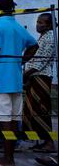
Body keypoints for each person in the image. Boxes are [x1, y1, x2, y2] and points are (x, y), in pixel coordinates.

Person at [0, 0, 38, 166]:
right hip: (15, 78)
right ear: (12, 8)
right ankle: (8, 156)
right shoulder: (17, 26)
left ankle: (8, 159)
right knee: (13, 120)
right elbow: (33, 45)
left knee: (5, 121)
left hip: (1, 80)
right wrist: (21, 61)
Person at [22, 13, 56, 153]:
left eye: (42, 23)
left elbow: (40, 62)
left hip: (41, 77)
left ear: (49, 25)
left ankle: (49, 142)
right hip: (35, 77)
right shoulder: (43, 37)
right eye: (37, 21)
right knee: (33, 110)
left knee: (41, 110)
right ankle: (39, 140)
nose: (38, 24)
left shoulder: (49, 38)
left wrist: (25, 75)